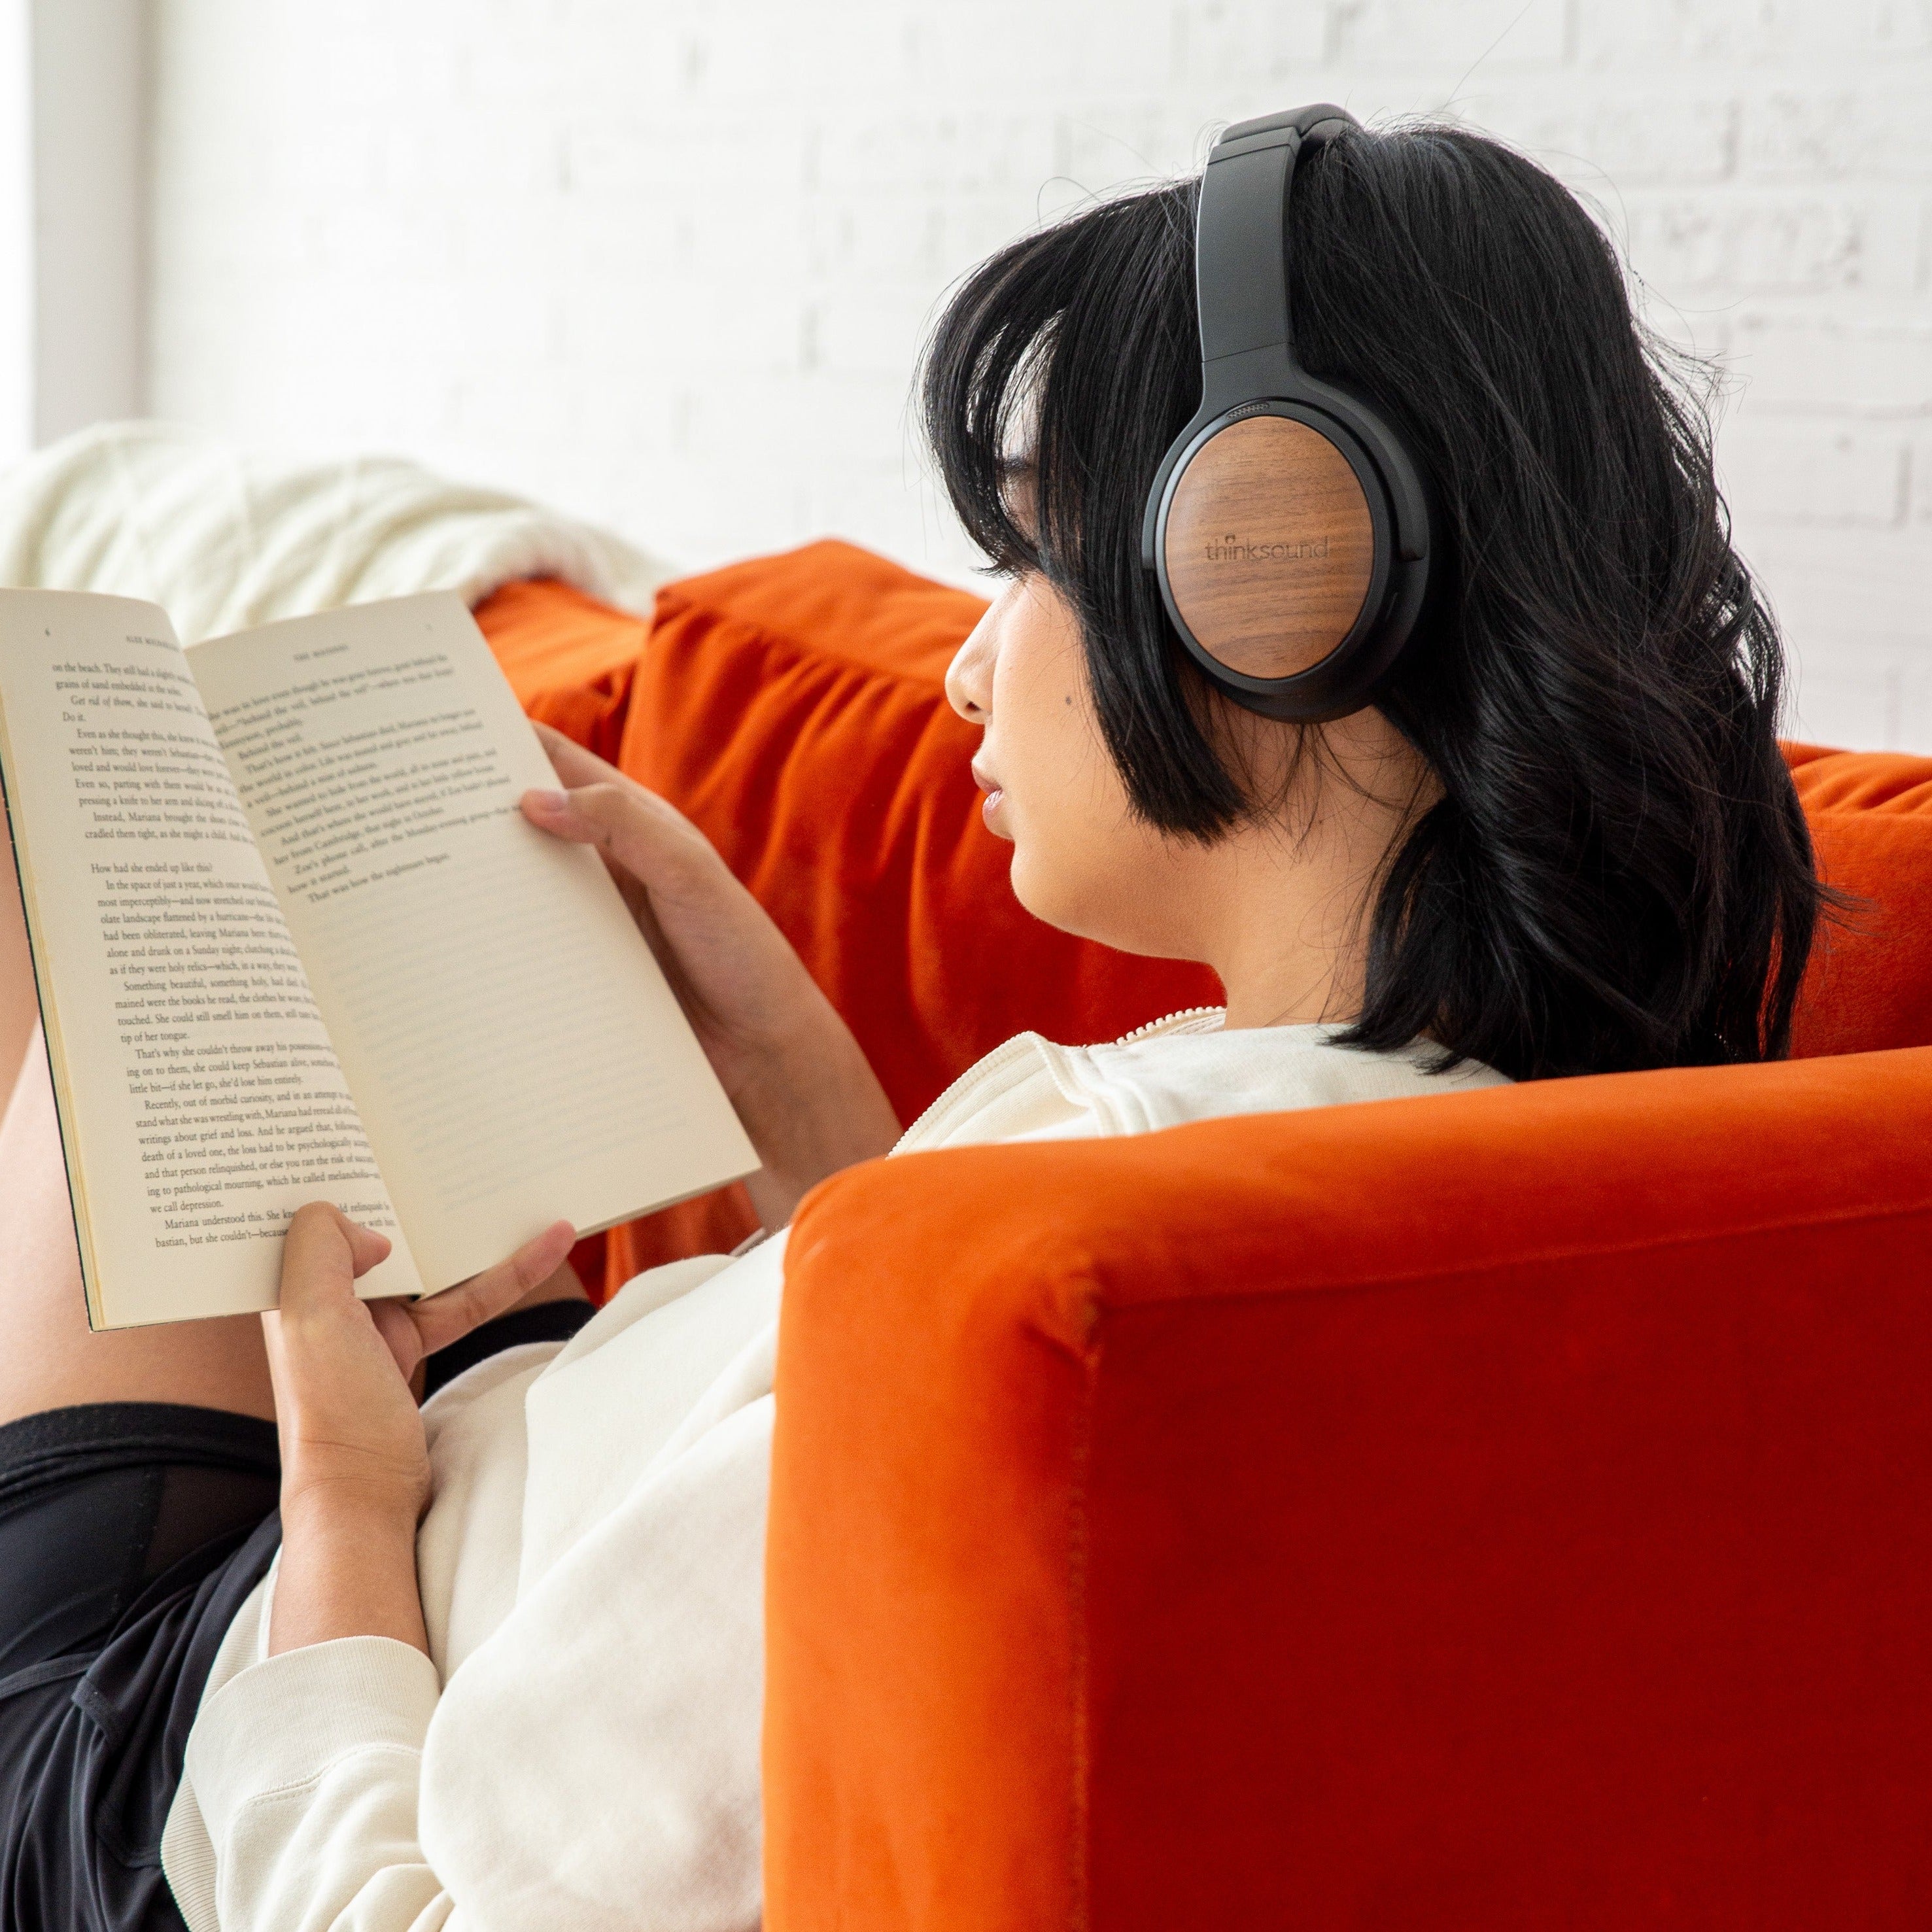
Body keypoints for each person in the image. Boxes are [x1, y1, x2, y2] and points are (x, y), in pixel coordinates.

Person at [0, 115, 1823, 1931]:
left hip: (196, 1765)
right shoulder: (1519, 1152)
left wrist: (344, 1489)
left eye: (1022, 559)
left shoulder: (1112, 1187)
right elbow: (947, 1482)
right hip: (437, 1533)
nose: (966, 664)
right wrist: (797, 1083)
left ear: (1271, 571)